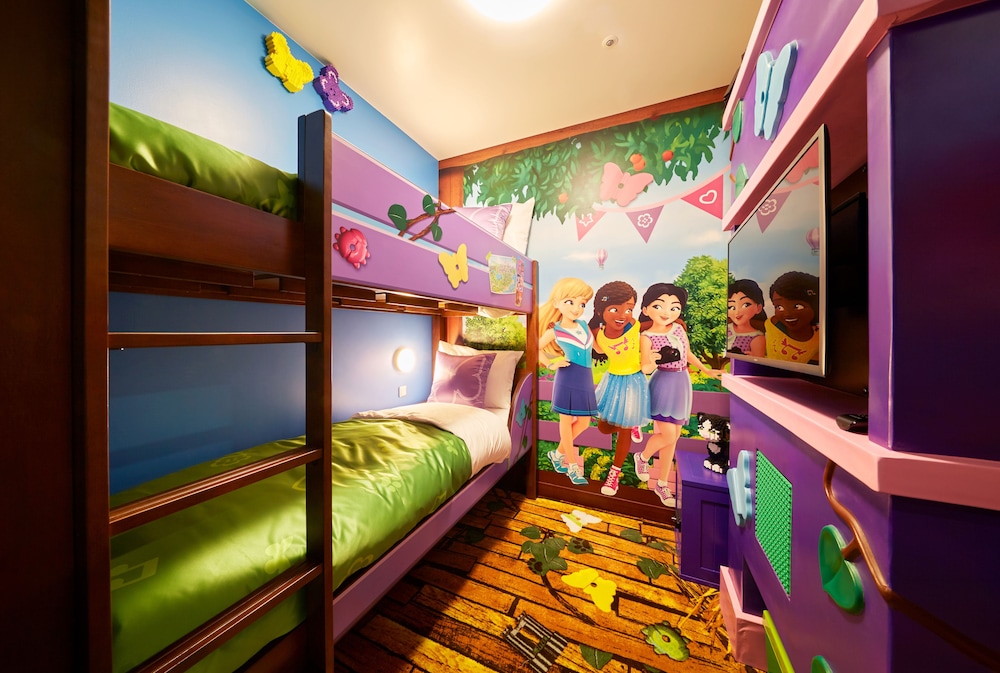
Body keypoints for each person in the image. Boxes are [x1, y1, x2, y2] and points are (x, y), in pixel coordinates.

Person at [634, 283, 723, 507]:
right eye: (659, 306)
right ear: (645, 309)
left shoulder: (678, 329)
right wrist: (654, 360)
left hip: (682, 382)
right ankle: (642, 457)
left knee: (673, 438)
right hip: (662, 383)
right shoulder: (646, 336)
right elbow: (645, 367)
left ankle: (662, 484)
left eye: (674, 307)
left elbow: (688, 353)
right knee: (668, 435)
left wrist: (706, 370)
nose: (667, 312)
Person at [588, 280, 650, 496]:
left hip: (633, 381)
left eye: (629, 309)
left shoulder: (634, 326)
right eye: (615, 309)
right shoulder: (596, 332)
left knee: (624, 427)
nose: (623, 315)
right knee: (603, 427)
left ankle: (613, 475)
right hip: (612, 380)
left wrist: (677, 322)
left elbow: (657, 324)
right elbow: (591, 345)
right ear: (600, 311)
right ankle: (632, 423)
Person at [538, 278, 598, 486]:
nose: (576, 308)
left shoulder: (583, 325)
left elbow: (597, 348)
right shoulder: (555, 331)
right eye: (570, 302)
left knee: (584, 422)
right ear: (557, 303)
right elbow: (535, 348)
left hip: (586, 378)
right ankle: (571, 466)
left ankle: (557, 454)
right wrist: (551, 364)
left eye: (582, 304)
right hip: (567, 376)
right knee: (565, 420)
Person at [764, 271, 820, 364]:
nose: (787, 314)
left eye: (798, 306)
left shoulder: (819, 338)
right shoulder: (773, 323)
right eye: (779, 307)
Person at [727, 278, 767, 357]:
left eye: (745, 305)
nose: (737, 312)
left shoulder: (757, 337)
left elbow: (758, 360)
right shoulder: (726, 328)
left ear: (758, 308)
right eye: (731, 307)